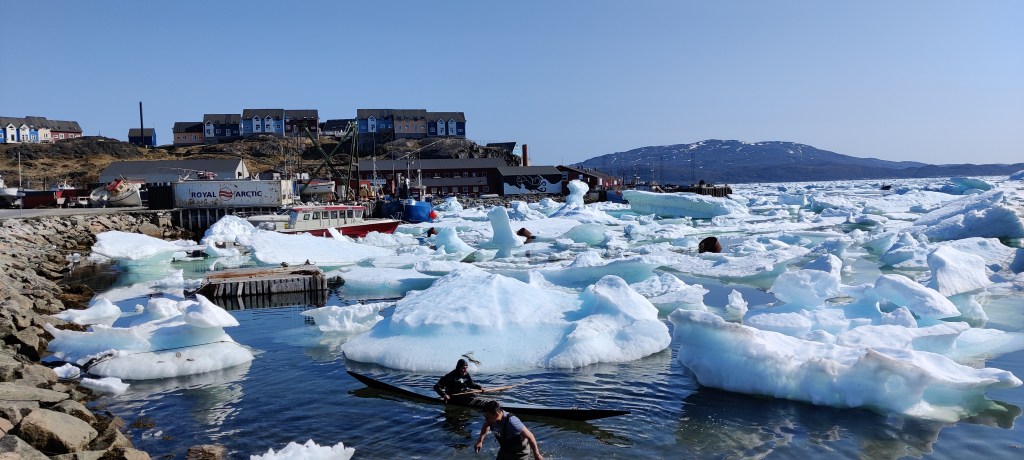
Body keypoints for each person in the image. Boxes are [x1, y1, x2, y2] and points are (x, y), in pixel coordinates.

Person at [475, 400, 543, 460]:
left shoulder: (512, 422)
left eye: (487, 417)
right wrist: (480, 441)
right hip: (505, 450)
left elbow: (530, 436)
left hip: (519, 452)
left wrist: (537, 455)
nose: (486, 419)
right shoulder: (490, 419)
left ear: (496, 415)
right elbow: (486, 425)